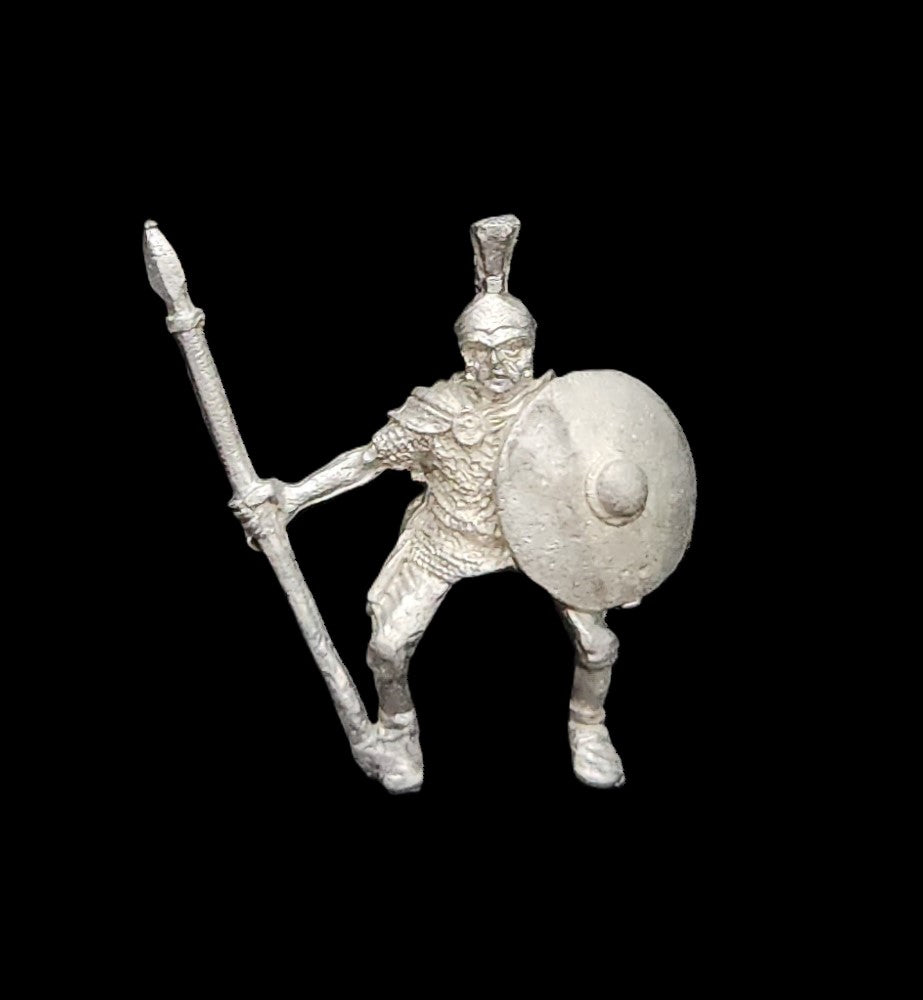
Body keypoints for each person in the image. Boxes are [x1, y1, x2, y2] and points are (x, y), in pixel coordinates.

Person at [246, 216, 623, 793]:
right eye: (482, 351)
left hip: (542, 535)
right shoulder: (438, 412)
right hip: (448, 535)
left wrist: (620, 549)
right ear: (465, 354)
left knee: (598, 643)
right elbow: (368, 461)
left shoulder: (559, 406)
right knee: (387, 646)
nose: (498, 366)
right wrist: (294, 495)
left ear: (532, 345)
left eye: (513, 349)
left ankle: (588, 722)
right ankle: (398, 728)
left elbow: (602, 479)